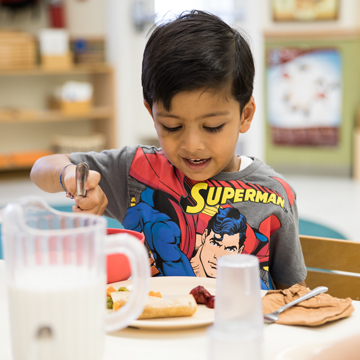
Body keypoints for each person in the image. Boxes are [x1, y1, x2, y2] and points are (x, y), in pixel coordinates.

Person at [30, 10, 307, 290]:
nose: (192, 145)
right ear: (152, 113)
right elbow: (42, 168)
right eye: (173, 127)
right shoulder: (135, 170)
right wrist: (71, 177)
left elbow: (292, 295)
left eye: (212, 126)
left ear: (245, 115)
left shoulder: (274, 194)